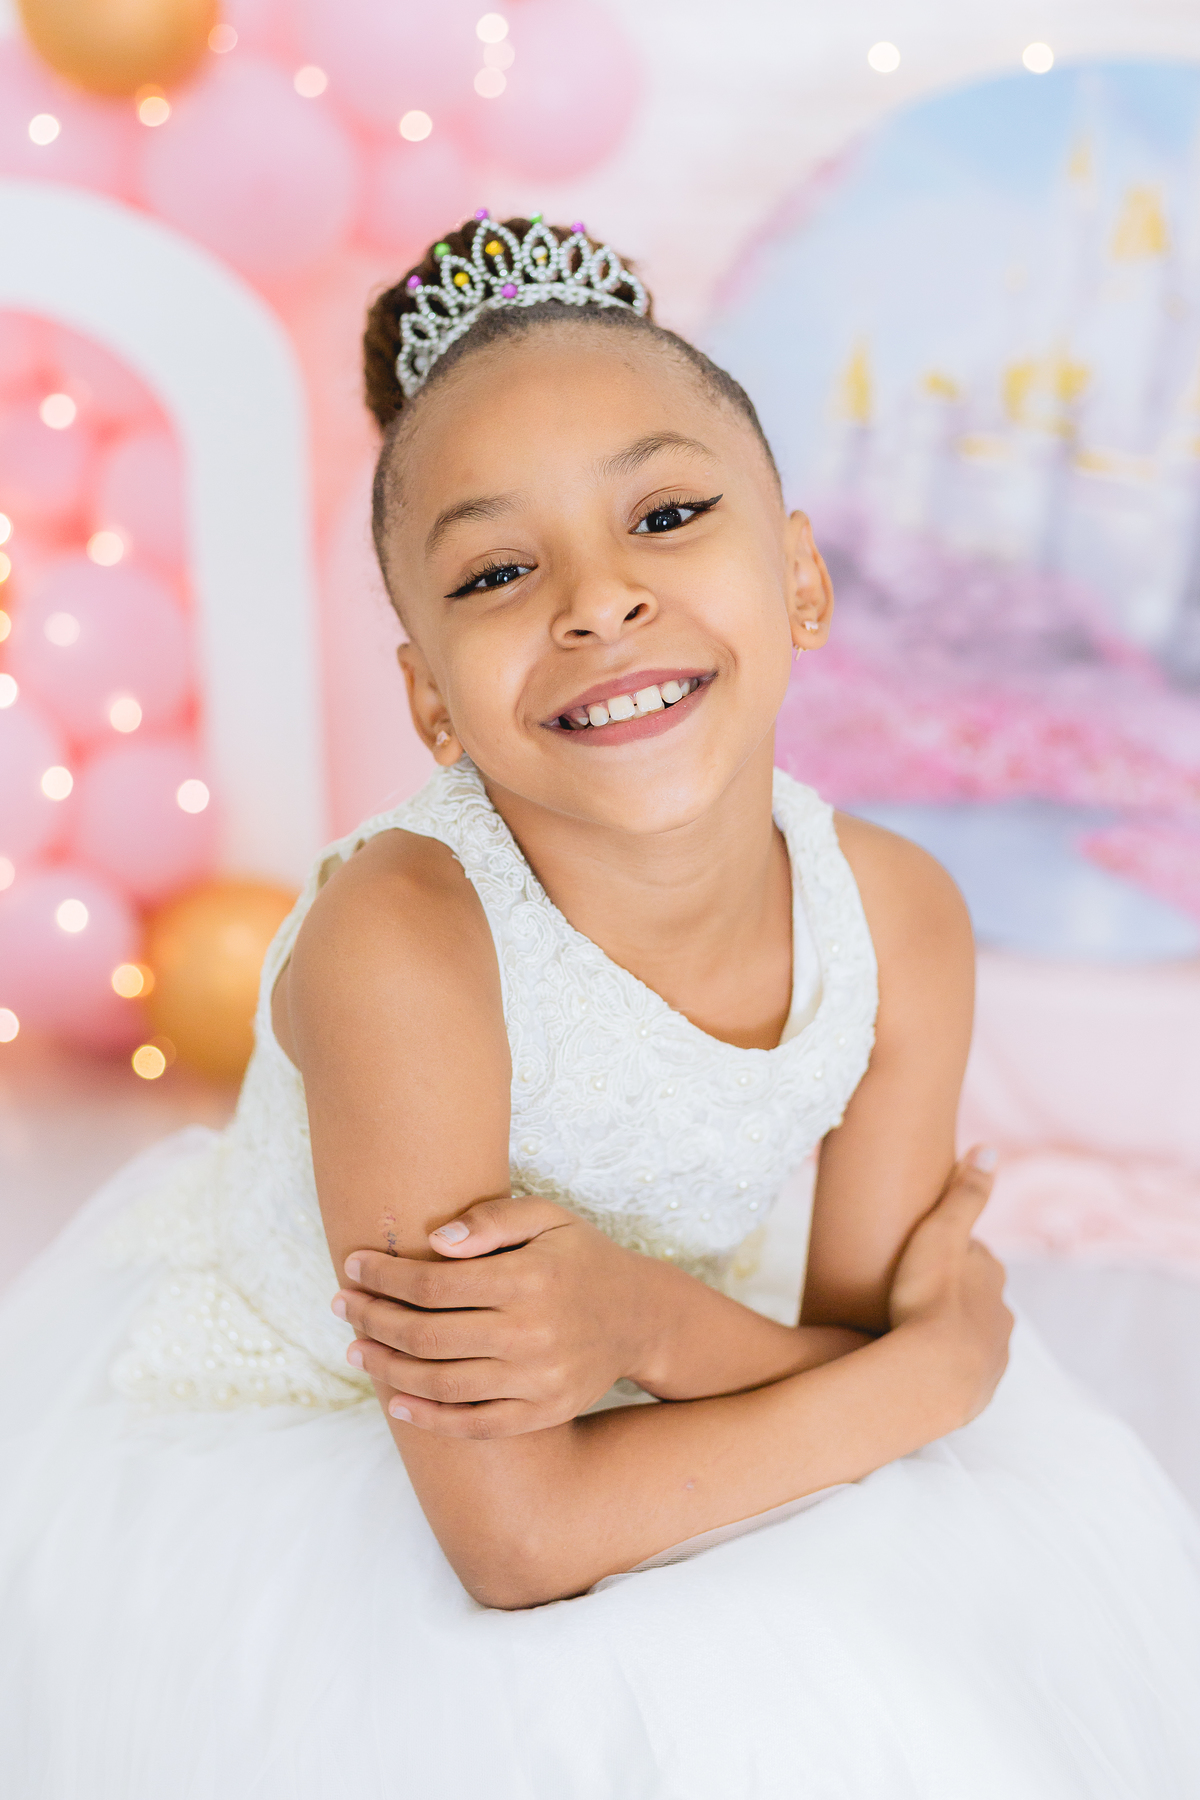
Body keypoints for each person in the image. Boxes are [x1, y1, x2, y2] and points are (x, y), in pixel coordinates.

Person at [1, 215, 1197, 1800]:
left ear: (800, 577)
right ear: (429, 699)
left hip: (651, 1361)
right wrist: (934, 1378)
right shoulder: (405, 945)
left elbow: (836, 1352)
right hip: (360, 1429)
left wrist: (654, 1325)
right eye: (498, 571)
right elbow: (521, 1538)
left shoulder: (899, 919)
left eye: (668, 514)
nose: (597, 600)